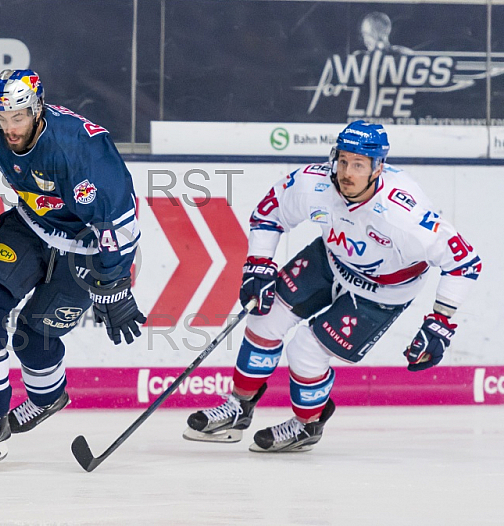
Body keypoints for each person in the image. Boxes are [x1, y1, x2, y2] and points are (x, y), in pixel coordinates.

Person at [183, 120, 481, 452]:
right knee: (263, 319)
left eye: (358, 164)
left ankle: (307, 426)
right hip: (330, 260)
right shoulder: (314, 184)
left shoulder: (403, 215)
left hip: (381, 292)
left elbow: (465, 262)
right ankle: (239, 407)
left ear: (378, 167)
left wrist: (440, 322)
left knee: (306, 350)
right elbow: (268, 214)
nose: (346, 172)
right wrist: (259, 263)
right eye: (342, 161)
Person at [0, 69, 146, 470]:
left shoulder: (80, 148)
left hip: (87, 246)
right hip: (30, 226)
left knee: (32, 339)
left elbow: (116, 224)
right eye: (1, 117)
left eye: (17, 118)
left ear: (37, 110)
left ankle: (46, 398)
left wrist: (116, 285)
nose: (9, 128)